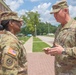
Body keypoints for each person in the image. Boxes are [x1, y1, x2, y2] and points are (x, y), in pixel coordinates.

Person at [43, 0, 76, 75]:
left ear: (65, 10)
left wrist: (64, 51)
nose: (54, 16)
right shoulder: (59, 29)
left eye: (56, 13)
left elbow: (62, 50)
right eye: (53, 14)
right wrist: (51, 50)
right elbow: (57, 47)